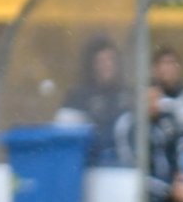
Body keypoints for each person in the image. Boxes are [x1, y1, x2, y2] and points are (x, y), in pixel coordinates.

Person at [55, 37, 129, 166]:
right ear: (92, 65)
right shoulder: (78, 96)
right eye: (101, 61)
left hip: (124, 167)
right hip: (90, 167)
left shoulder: (127, 94)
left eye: (111, 60)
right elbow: (66, 135)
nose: (108, 65)